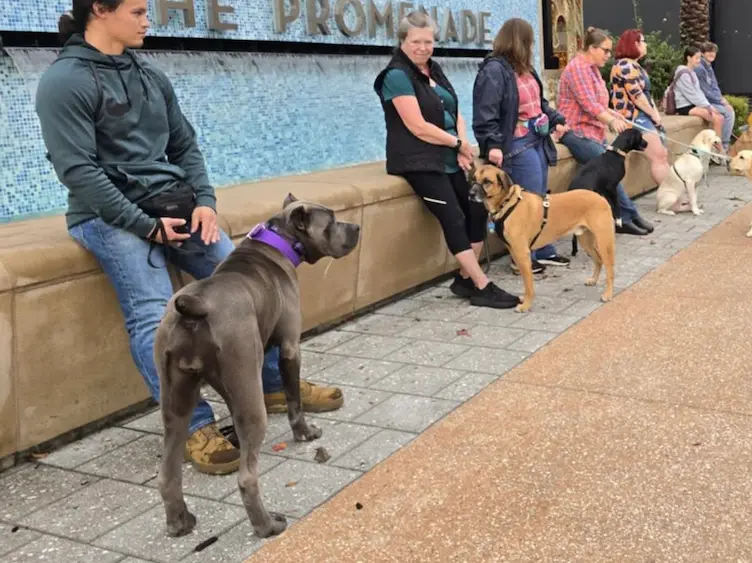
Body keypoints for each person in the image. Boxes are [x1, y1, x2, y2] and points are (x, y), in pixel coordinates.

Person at [34, 0, 344, 476]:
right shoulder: (65, 82)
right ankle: (193, 427)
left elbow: (184, 146)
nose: (147, 19)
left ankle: (272, 386)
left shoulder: (151, 75)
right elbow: (78, 172)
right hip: (108, 217)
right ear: (100, 9)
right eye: (137, 11)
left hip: (177, 209)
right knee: (152, 312)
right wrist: (145, 225)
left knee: (250, 283)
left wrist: (204, 201)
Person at [374, 12, 520, 307]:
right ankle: (481, 285)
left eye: (428, 41)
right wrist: (457, 143)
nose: (423, 47)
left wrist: (462, 145)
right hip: (418, 162)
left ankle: (464, 279)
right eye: (416, 41)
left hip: (448, 157)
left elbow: (455, 113)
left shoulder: (433, 70)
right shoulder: (396, 76)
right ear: (403, 41)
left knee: (478, 209)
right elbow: (417, 126)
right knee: (453, 216)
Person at [473, 17, 572, 272]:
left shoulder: (526, 69)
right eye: (530, 41)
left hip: (537, 139)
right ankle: (522, 258)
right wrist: (492, 144)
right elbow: (485, 113)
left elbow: (540, 104)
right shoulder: (494, 70)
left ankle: (542, 249)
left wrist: (557, 120)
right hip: (515, 144)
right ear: (521, 41)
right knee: (525, 200)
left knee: (539, 198)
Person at [556, 27, 657, 233]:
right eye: (605, 50)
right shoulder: (578, 69)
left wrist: (615, 114)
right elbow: (589, 105)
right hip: (574, 131)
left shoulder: (592, 69)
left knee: (611, 167)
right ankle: (628, 216)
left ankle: (627, 215)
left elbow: (601, 103)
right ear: (592, 48)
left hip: (593, 131)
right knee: (608, 168)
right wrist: (611, 121)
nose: (609, 56)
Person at [609, 29, 670, 187]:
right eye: (643, 41)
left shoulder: (635, 66)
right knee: (658, 156)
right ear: (634, 44)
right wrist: (654, 115)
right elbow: (637, 96)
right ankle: (671, 199)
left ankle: (672, 196)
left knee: (662, 155)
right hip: (635, 117)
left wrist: (655, 114)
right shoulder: (625, 66)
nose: (646, 44)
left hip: (645, 115)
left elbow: (646, 96)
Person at [672, 46, 724, 139]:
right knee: (717, 119)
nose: (699, 61)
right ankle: (719, 148)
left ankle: (715, 145)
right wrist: (708, 107)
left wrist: (708, 106)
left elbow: (699, 92)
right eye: (697, 58)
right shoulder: (683, 74)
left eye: (700, 58)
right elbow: (692, 95)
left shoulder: (692, 72)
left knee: (720, 117)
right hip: (684, 106)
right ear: (689, 58)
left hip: (693, 104)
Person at [694, 42, 735, 151]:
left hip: (712, 100)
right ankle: (724, 147)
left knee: (728, 110)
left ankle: (723, 145)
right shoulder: (700, 68)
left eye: (713, 52)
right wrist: (721, 101)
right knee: (728, 113)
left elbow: (715, 87)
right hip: (704, 102)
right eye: (709, 52)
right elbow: (705, 91)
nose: (712, 54)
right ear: (702, 53)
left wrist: (722, 99)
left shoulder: (708, 67)